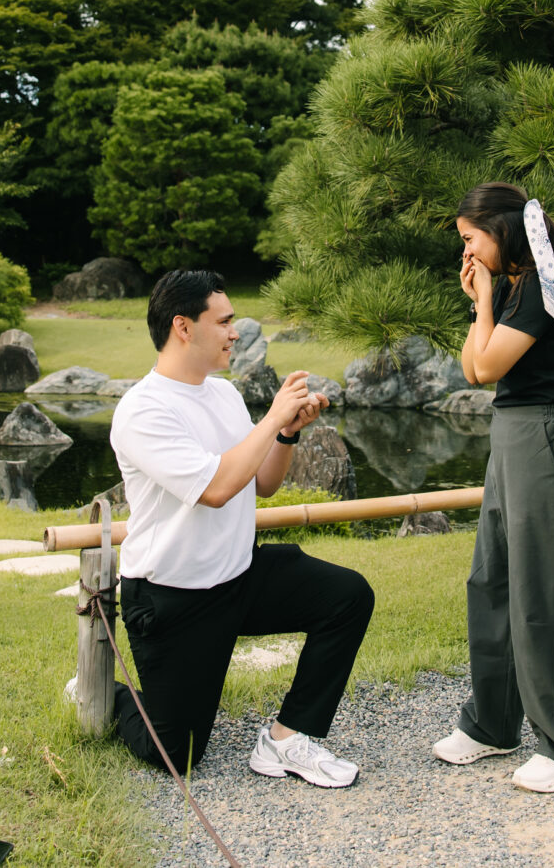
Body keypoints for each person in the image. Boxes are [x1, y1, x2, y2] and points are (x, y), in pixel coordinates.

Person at [103, 268, 375, 787]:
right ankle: (107, 692)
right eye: (224, 321)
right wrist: (273, 418)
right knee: (177, 755)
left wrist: (287, 435)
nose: (235, 332)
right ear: (183, 327)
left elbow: (262, 483)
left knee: (347, 596)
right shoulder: (142, 410)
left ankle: (287, 739)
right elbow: (217, 488)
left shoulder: (222, 394)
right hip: (171, 598)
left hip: (238, 576)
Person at [431, 182, 554, 793]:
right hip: (515, 432)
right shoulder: (515, 288)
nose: (468, 253)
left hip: (551, 436)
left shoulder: (541, 288)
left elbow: (487, 366)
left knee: (545, 591)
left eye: (472, 240)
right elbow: (475, 370)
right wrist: (482, 298)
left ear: (501, 231)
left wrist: (481, 303)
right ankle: (493, 724)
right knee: (493, 578)